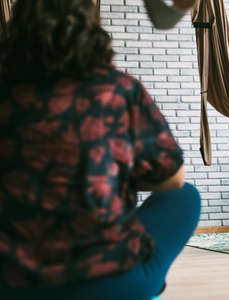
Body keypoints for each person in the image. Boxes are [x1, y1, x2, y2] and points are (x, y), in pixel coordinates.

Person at [0, 1, 200, 299]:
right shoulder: (117, 90)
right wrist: (106, 173)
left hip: (13, 284)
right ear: (90, 27)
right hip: (109, 283)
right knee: (184, 197)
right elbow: (172, 178)